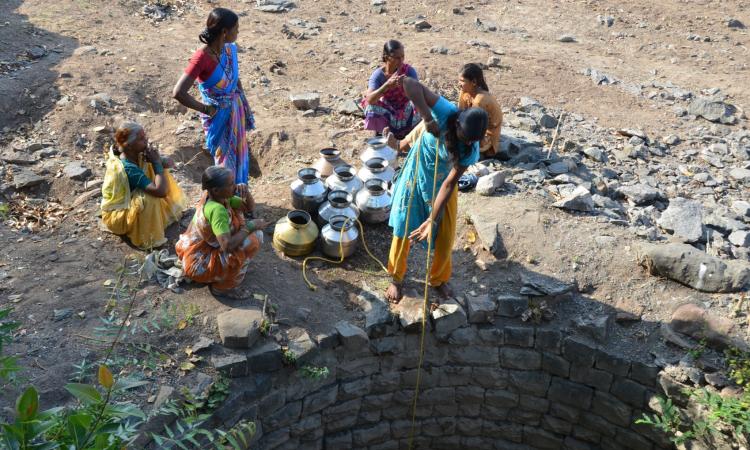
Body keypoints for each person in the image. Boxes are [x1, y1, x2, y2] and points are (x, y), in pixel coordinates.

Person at [383, 78, 488, 302]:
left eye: (473, 142)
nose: (468, 145)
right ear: (458, 124)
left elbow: (450, 183)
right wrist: (427, 117)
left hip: (442, 182)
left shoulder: (471, 149)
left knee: (446, 233)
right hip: (417, 170)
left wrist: (432, 218)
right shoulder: (446, 112)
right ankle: (396, 278)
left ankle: (439, 279)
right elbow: (409, 83)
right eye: (465, 139)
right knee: (404, 225)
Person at [172, 7, 256, 185]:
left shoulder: (228, 49)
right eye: (236, 28)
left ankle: (239, 194)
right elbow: (178, 92)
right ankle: (225, 201)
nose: (238, 32)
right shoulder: (201, 58)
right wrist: (206, 109)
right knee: (225, 161)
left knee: (239, 153)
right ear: (225, 32)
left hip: (235, 111)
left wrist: (241, 100)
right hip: (218, 116)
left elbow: (233, 76)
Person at [176, 166, 267, 298]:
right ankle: (223, 288)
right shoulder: (217, 210)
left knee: (244, 226)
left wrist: (246, 192)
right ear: (216, 190)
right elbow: (227, 246)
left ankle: (224, 271)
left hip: (198, 251)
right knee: (254, 238)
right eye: (230, 184)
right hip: (200, 263)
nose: (235, 186)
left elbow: (248, 208)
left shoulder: (217, 197)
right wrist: (250, 226)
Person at [101, 122, 187, 249]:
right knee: (148, 199)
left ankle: (153, 220)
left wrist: (160, 160)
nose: (146, 140)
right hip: (118, 216)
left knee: (160, 172)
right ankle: (149, 239)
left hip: (129, 202)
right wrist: (157, 163)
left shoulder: (136, 153)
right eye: (141, 139)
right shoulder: (127, 168)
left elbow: (169, 163)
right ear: (128, 145)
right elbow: (161, 191)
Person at [360, 40, 420, 139]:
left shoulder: (408, 71)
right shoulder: (378, 75)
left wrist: (406, 85)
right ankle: (381, 134)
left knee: (421, 104)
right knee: (371, 107)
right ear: (387, 57)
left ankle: (411, 135)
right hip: (388, 110)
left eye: (402, 57)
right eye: (397, 58)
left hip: (406, 109)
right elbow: (369, 99)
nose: (401, 61)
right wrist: (386, 86)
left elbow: (419, 94)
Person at [458, 63, 503, 159]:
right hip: (473, 126)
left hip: (487, 136)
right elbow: (460, 111)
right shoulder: (466, 91)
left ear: (474, 82)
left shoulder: (480, 100)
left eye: (462, 81)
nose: (459, 84)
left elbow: (473, 126)